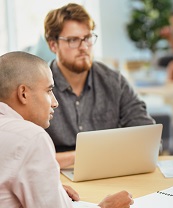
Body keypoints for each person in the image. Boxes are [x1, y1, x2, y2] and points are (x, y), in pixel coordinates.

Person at [0, 51, 133, 207]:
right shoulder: (32, 138)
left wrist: (47, 189)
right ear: (23, 93)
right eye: (49, 91)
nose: (55, 102)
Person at [43, 3, 155, 168]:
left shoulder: (113, 81)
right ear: (53, 45)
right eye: (73, 40)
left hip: (108, 172)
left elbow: (148, 139)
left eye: (87, 38)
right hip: (56, 180)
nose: (84, 47)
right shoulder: (38, 87)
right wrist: (79, 157)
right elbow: (26, 155)